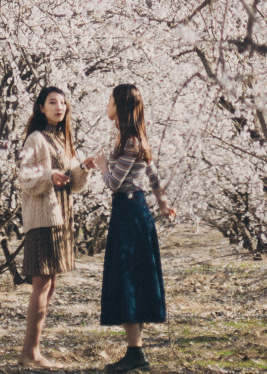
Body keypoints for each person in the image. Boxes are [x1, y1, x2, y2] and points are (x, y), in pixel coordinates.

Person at [89, 84, 176, 374]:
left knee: (127, 276)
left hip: (128, 211)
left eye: (111, 98)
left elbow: (114, 183)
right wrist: (163, 204)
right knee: (134, 276)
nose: (107, 102)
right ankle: (135, 350)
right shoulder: (132, 139)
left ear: (121, 106)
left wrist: (102, 166)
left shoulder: (130, 142)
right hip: (134, 210)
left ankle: (136, 353)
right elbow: (152, 174)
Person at [16, 86, 88, 369]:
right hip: (43, 218)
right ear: (41, 107)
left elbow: (75, 185)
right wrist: (49, 175)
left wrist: (84, 167)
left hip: (61, 218)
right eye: (52, 102)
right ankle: (29, 353)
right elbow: (24, 177)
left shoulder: (64, 140)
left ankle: (32, 349)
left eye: (63, 102)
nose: (59, 107)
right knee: (42, 283)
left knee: (51, 283)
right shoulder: (36, 139)